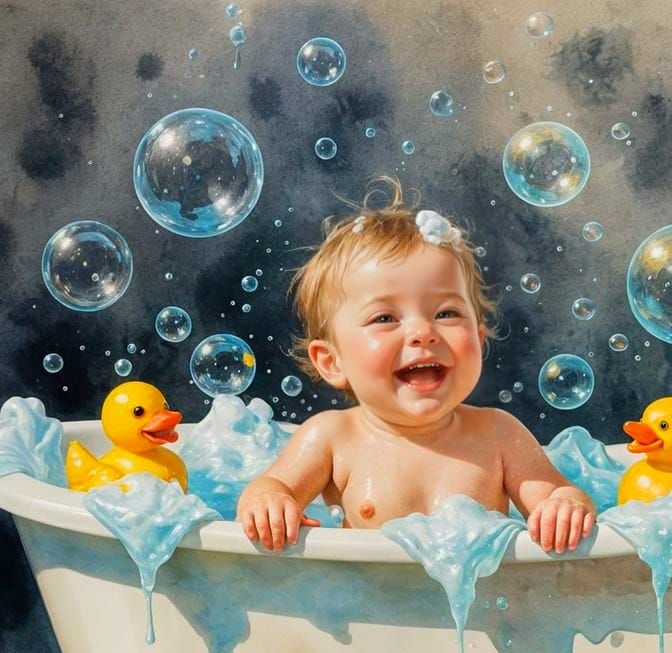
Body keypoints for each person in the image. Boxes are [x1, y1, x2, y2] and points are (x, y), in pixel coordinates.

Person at [237, 179, 596, 553]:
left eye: (446, 312)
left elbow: (559, 494)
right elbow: (269, 488)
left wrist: (565, 506)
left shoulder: (499, 434)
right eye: (385, 318)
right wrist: (270, 504)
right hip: (371, 608)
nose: (423, 333)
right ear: (332, 361)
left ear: (478, 334)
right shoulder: (331, 437)